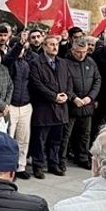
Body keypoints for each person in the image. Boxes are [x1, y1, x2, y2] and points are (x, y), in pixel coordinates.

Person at [28, 34, 72, 178]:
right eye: (51, 44)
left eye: (56, 45)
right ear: (44, 46)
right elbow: (37, 84)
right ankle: (38, 165)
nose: (55, 47)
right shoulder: (36, 63)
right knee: (40, 139)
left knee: (56, 139)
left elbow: (69, 81)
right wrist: (54, 97)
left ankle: (53, 163)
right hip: (44, 108)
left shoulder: (63, 63)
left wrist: (67, 95)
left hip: (60, 108)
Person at [62, 38, 101, 169]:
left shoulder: (91, 62)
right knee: (66, 134)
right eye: (78, 52)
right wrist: (73, 98)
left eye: (84, 52)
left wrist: (90, 97)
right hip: (71, 105)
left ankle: (83, 157)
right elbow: (64, 83)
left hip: (87, 104)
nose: (82, 55)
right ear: (72, 50)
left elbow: (97, 80)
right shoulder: (65, 63)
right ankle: (61, 159)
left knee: (85, 134)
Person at [3, 35, 35, 179]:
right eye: (18, 47)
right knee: (9, 139)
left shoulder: (27, 62)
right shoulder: (8, 62)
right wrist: (19, 44)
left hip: (26, 105)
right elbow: (10, 58)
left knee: (23, 139)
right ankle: (9, 167)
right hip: (12, 106)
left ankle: (21, 166)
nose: (22, 50)